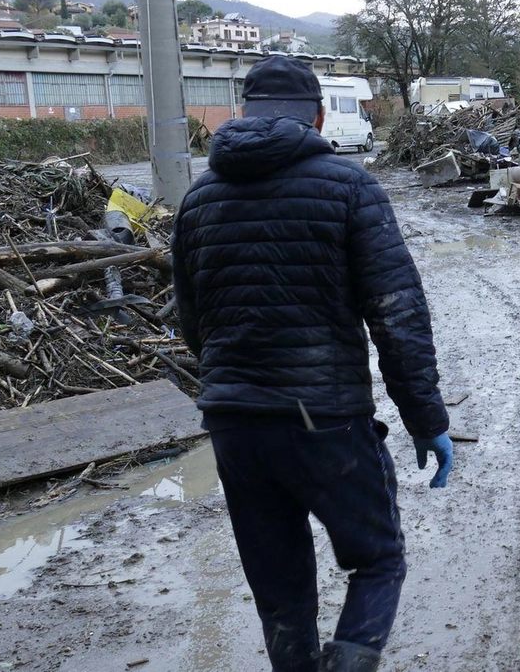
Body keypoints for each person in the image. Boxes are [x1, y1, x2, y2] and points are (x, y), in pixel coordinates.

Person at [171, 56, 453, 672]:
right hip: (322, 421)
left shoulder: (198, 199)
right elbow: (397, 315)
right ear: (320, 116)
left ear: (241, 113)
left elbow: (193, 324)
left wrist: (240, 384)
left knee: (281, 594)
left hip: (233, 424)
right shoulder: (350, 186)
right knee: (377, 560)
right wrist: (425, 418)